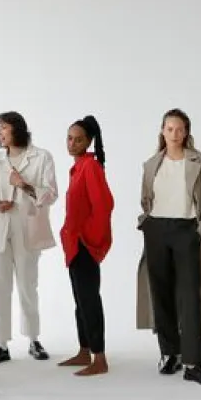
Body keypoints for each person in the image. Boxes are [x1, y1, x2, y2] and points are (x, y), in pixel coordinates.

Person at [136, 108, 201, 386]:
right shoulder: (151, 164)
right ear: (162, 131)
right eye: (169, 128)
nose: (174, 134)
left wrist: (200, 230)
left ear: (187, 132)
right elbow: (146, 199)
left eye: (179, 129)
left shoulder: (200, 162)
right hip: (157, 231)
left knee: (190, 296)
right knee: (160, 293)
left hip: (187, 230)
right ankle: (169, 353)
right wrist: (147, 223)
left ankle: (194, 363)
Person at [0, 111, 58, 365]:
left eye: (3, 128)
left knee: (28, 285)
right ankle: (0, 344)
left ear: (17, 129)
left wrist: (23, 184)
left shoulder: (41, 157)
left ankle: (33, 339)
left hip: (27, 227)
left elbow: (51, 194)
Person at [57, 116, 113, 377]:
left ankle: (99, 358)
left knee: (89, 300)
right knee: (80, 300)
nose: (72, 143)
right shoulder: (77, 167)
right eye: (69, 137)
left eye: (78, 139)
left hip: (84, 245)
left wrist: (89, 240)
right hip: (74, 245)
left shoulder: (90, 166)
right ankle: (84, 350)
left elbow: (104, 206)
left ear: (88, 141)